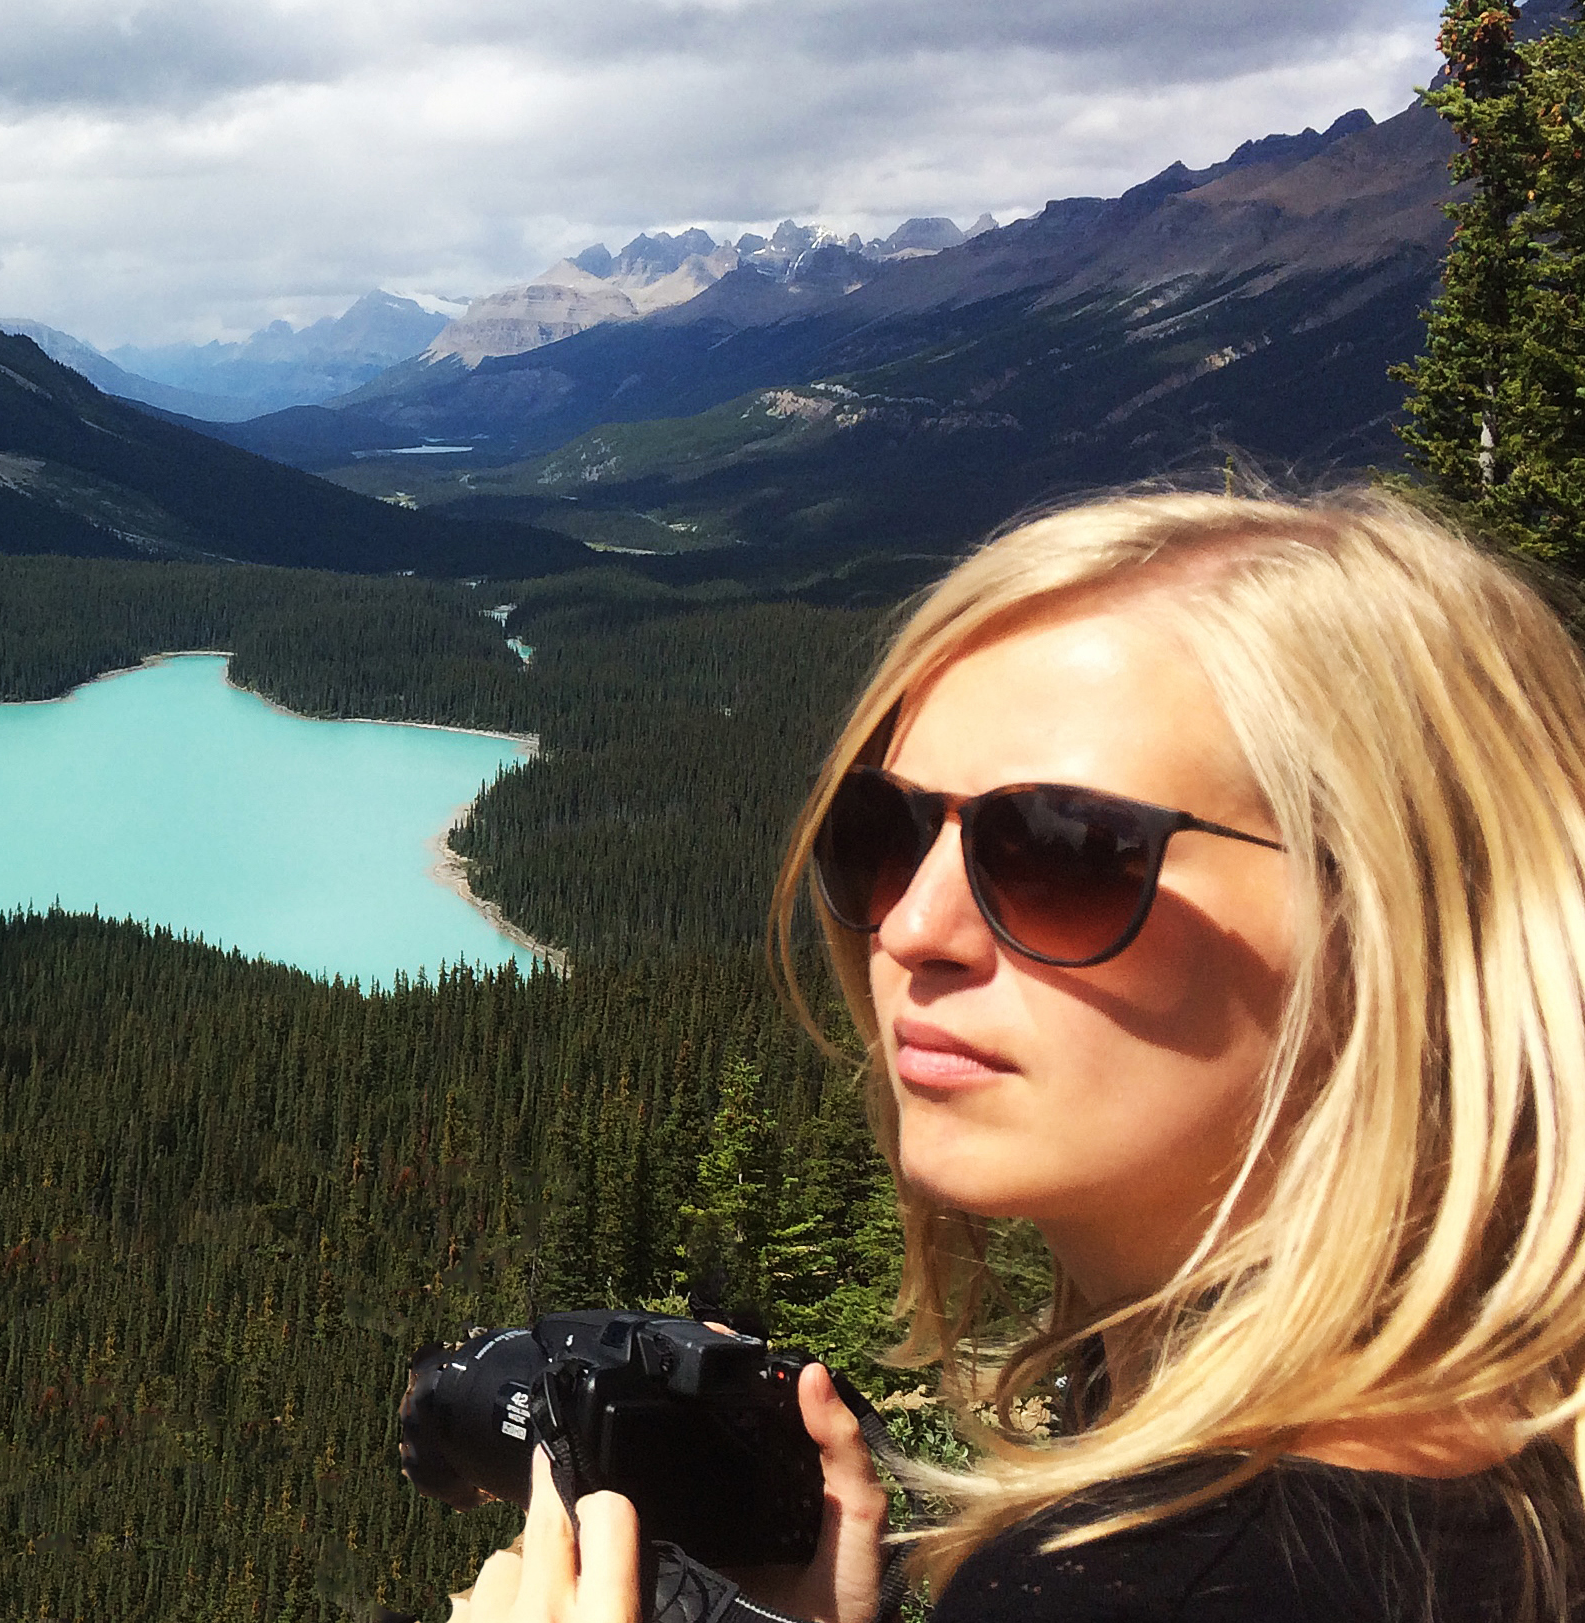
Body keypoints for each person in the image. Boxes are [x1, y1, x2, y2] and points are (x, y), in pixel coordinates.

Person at [451, 485, 1585, 1621]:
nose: (908, 928)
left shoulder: (1146, 1579)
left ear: (1390, 933)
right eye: (880, 834)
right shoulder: (1500, 1461)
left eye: (1060, 852)